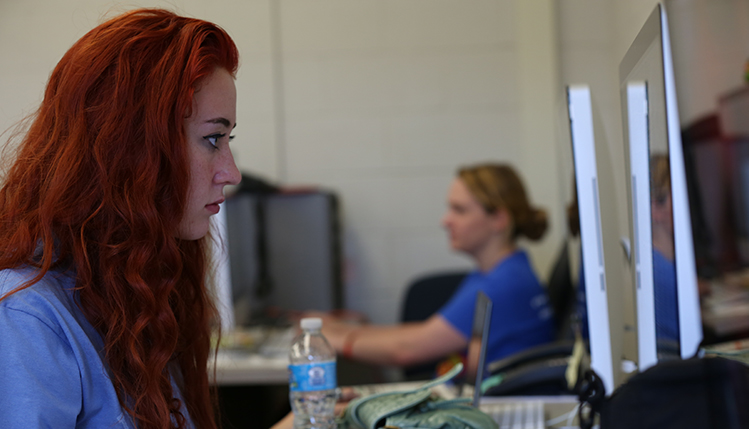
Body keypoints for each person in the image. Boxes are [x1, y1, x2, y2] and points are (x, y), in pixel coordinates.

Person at [0, 9, 248, 429]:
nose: (232, 172)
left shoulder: (130, 282)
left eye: (229, 140)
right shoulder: (26, 315)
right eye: (212, 139)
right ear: (130, 149)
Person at [317, 163, 556, 376]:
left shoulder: (503, 284)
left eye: (459, 210)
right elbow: (428, 332)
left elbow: (406, 350)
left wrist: (334, 339)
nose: (445, 221)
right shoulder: (500, 271)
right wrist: (339, 330)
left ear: (499, 219)